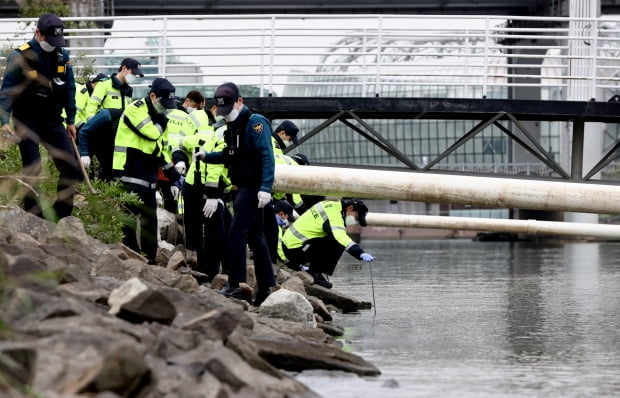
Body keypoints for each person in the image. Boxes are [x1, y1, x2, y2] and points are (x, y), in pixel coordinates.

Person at [195, 82, 276, 306]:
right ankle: (266, 288)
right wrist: (206, 156)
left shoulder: (255, 124)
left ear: (240, 102)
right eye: (222, 112)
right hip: (243, 187)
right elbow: (230, 155)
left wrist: (265, 188)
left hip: (253, 188)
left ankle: (235, 284)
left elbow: (267, 156)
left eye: (228, 110)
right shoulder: (233, 126)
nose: (225, 115)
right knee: (256, 238)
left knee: (235, 234)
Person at [0, 13, 81, 221]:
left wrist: (71, 120)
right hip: (25, 120)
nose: (53, 45)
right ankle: (32, 216)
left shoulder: (62, 56)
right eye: (50, 40)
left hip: (52, 120)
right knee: (33, 167)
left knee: (71, 168)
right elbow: (7, 92)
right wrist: (4, 122)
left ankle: (59, 217)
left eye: (57, 41)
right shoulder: (19, 56)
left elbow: (70, 88)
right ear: (38, 34)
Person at [112, 77, 181, 264]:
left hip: (148, 175)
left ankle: (149, 259)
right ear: (152, 96)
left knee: (150, 219)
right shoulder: (136, 109)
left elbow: (162, 150)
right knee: (129, 218)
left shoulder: (161, 118)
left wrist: (173, 176)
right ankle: (132, 257)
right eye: (164, 103)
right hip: (128, 171)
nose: (166, 108)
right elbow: (151, 134)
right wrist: (161, 122)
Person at [282, 198, 375, 289]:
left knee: (332, 238)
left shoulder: (330, 205)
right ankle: (315, 272)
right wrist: (360, 253)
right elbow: (341, 237)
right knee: (337, 242)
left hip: (291, 246)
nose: (355, 221)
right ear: (350, 208)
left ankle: (316, 272)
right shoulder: (334, 215)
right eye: (356, 217)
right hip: (295, 250)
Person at [80, 58, 143, 181]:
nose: (134, 76)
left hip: (119, 135)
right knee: (98, 166)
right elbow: (91, 106)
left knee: (113, 170)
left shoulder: (128, 90)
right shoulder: (104, 85)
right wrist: (93, 124)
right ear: (124, 68)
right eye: (133, 73)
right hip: (102, 132)